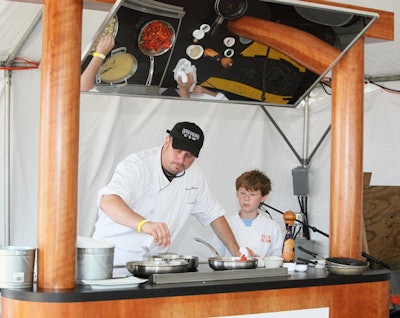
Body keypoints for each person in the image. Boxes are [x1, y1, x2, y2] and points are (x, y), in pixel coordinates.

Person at [92, 121, 254, 269]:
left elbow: (214, 215)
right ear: (167, 141)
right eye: (178, 151)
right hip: (113, 259)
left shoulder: (194, 175)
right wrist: (145, 224)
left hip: (151, 264)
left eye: (189, 156)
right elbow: (108, 202)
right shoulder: (137, 165)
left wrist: (237, 253)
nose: (181, 160)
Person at [212, 169, 285, 261]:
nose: (246, 198)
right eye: (242, 193)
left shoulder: (273, 228)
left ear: (264, 197)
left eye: (252, 194)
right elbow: (217, 257)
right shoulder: (224, 224)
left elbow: (277, 261)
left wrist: (260, 262)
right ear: (237, 193)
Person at [161, 73, 229, 100]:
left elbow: (185, 107)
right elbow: (220, 97)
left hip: (174, 96)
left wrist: (184, 89)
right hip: (193, 90)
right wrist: (203, 90)